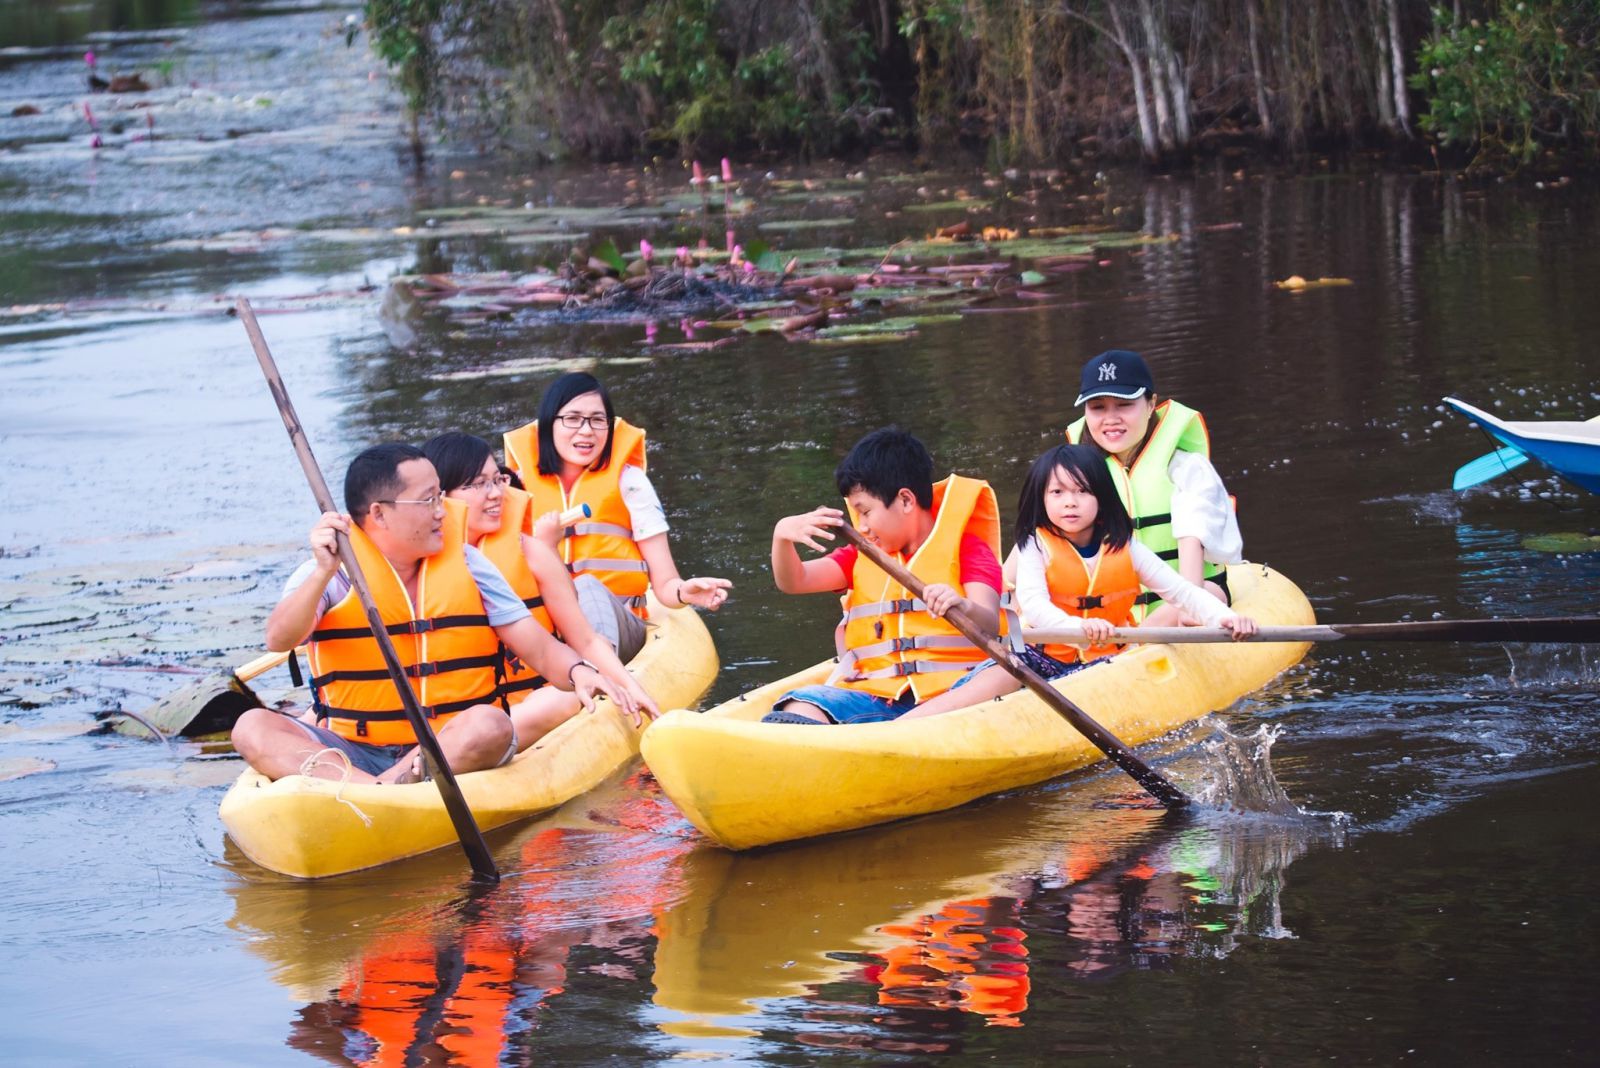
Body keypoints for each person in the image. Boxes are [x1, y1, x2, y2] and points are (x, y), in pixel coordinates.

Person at [230, 444, 619, 784]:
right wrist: (321, 573)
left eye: (441, 498)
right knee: (251, 726)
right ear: (379, 514)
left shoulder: (470, 564)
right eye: (429, 500)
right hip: (355, 751)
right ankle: (377, 791)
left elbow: (540, 649)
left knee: (491, 724)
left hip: (448, 746)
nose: (442, 513)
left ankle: (378, 791)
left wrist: (578, 671)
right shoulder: (333, 571)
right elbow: (280, 639)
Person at [902, 444, 1257, 718]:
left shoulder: (1125, 545)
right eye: (1057, 493)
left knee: (1172, 616)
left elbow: (1179, 592)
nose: (1070, 503)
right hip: (1046, 659)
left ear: (1101, 499)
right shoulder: (1034, 545)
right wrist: (1077, 627)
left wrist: (1222, 618)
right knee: (1007, 670)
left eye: (1082, 492)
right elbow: (1037, 608)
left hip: (1111, 660)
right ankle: (908, 728)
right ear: (1041, 498)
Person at [422, 431, 659, 750]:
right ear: (439, 497)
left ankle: (461, 747)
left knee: (561, 700)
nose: (495, 494)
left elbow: (585, 640)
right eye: (477, 484)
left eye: (497, 480)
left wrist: (630, 685)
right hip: (460, 715)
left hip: (536, 702)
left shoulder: (532, 553)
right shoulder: (418, 566)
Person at [761, 427, 1004, 725]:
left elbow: (990, 621)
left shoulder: (967, 548)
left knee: (1002, 673)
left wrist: (962, 605)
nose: (861, 526)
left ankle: (900, 731)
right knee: (797, 706)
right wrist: (781, 538)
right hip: (876, 696)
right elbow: (794, 581)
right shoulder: (860, 555)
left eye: (865, 512)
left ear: (905, 500)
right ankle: (877, 735)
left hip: (953, 692)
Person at [502, 373, 730, 663]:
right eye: (572, 418)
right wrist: (543, 546)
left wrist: (685, 592)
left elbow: (665, 583)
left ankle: (597, 676)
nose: (586, 431)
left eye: (598, 420)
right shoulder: (514, 488)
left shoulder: (630, 482)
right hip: (546, 631)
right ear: (549, 423)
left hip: (619, 623)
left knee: (586, 586)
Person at [1065, 349, 1242, 625]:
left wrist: (1188, 608)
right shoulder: (1074, 475)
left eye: (1124, 405)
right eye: (1098, 407)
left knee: (1195, 599)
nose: (1110, 419)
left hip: (1189, 594)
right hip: (1111, 614)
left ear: (1151, 405)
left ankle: (1125, 656)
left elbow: (1190, 569)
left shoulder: (1186, 469)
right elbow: (1041, 540)